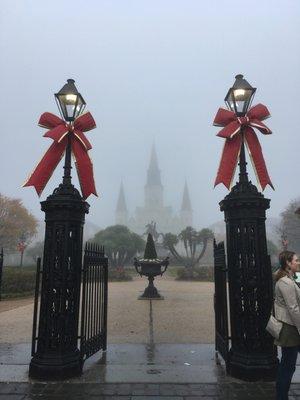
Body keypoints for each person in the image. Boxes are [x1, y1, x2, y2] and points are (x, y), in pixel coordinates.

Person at [274, 250, 300, 399]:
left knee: (287, 365)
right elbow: (293, 308)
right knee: (287, 367)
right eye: (296, 260)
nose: (298, 262)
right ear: (288, 264)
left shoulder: (288, 278)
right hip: (290, 329)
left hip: (292, 327)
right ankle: (281, 396)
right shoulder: (285, 282)